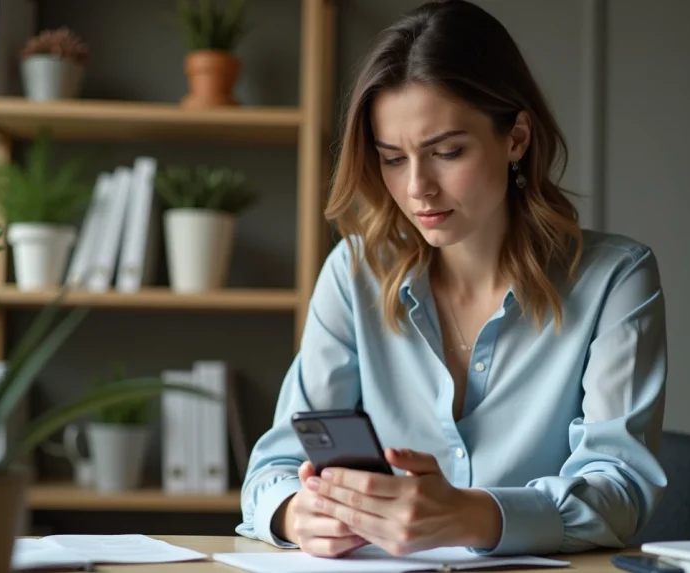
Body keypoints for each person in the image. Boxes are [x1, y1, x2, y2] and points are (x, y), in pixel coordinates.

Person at [236, 0, 667, 559]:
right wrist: (298, 514)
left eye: (447, 152)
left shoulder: (616, 281)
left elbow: (620, 491)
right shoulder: (353, 272)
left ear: (516, 138)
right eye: (393, 158)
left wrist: (471, 515)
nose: (418, 187)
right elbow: (273, 469)